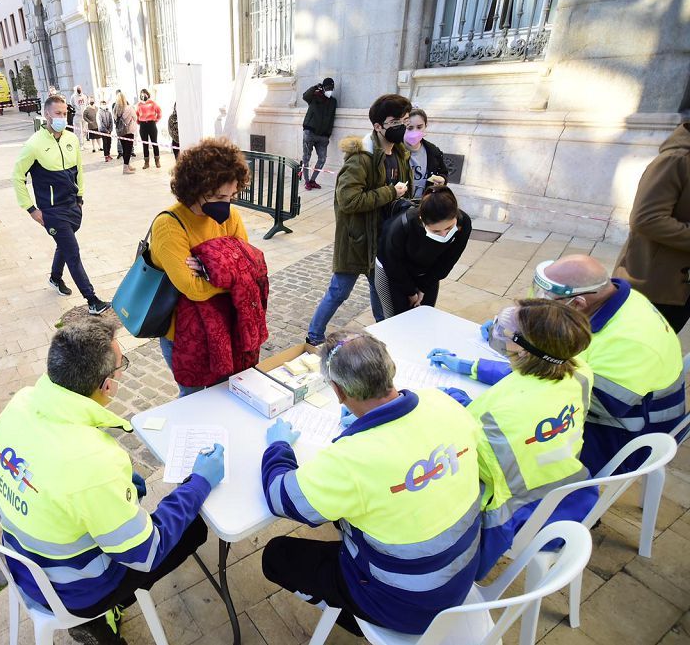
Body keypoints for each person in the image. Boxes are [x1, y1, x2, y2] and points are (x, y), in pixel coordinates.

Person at [0, 318, 222, 644]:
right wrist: (199, 481)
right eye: (120, 366)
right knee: (193, 530)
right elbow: (146, 551)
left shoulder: (19, 405)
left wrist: (116, 489)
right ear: (107, 385)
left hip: (23, 563)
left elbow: (60, 484)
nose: (122, 372)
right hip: (73, 589)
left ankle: (101, 617)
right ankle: (101, 617)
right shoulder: (92, 461)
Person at [261, 332, 481, 637]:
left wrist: (278, 447)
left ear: (338, 391)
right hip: (461, 576)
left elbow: (280, 498)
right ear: (390, 370)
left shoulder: (351, 459)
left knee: (276, 556)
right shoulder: (444, 402)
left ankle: (358, 618)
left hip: (405, 606)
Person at [436, 254, 685, 475]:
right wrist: (513, 334)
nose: (539, 300)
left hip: (626, 432)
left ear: (577, 305)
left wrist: (478, 370)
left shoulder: (632, 341)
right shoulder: (601, 300)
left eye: (546, 298)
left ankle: (564, 503)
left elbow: (564, 392)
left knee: (513, 449)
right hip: (607, 404)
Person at [434, 299, 598, 578]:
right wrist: (468, 367)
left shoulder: (493, 417)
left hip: (515, 518)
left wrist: (452, 407)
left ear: (523, 351)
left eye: (510, 335)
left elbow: (454, 454)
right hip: (572, 492)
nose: (503, 336)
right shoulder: (579, 371)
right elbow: (523, 375)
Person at [306, 94, 413, 345]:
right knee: (339, 291)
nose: (402, 126)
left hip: (385, 239)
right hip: (357, 239)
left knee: (380, 292)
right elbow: (348, 200)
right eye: (395, 121)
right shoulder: (361, 157)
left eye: (405, 120)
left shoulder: (400, 154)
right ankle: (314, 335)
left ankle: (385, 337)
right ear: (378, 126)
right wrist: (391, 192)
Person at [150, 138, 251, 396]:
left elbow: (248, 268)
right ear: (196, 187)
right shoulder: (169, 225)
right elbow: (192, 289)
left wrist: (209, 270)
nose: (226, 204)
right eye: (219, 196)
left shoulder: (231, 216)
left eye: (231, 196)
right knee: (193, 398)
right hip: (184, 336)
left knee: (224, 393)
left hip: (224, 325)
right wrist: (227, 270)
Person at [14, 94, 110, 315]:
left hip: (72, 206)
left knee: (64, 245)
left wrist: (80, 199)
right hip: (51, 209)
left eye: (65, 113)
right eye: (58, 113)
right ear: (46, 114)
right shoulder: (34, 144)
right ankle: (92, 300)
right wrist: (30, 209)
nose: (62, 117)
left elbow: (79, 170)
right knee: (72, 251)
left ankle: (55, 278)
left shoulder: (71, 139)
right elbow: (17, 177)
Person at [613, 121, 690, 331]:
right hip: (654, 286)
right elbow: (647, 219)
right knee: (632, 350)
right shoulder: (676, 160)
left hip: (680, 289)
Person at [374, 185, 472, 319]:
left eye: (449, 228)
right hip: (392, 270)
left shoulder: (464, 223)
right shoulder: (400, 227)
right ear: (422, 220)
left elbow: (448, 260)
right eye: (436, 231)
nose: (443, 235)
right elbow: (394, 264)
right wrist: (411, 292)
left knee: (424, 315)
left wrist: (423, 287)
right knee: (395, 318)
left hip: (427, 271)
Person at [301, 77, 337, 190]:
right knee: (306, 158)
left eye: (332, 88)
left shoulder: (333, 101)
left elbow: (332, 118)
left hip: (323, 136)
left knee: (322, 159)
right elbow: (305, 96)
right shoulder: (314, 96)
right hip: (310, 132)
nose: (330, 90)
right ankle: (306, 182)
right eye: (328, 88)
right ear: (323, 88)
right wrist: (315, 87)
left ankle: (312, 180)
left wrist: (328, 135)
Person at [404, 108, 448, 198]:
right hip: (397, 207)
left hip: (422, 205)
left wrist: (442, 179)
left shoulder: (433, 151)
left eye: (419, 127)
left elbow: (443, 172)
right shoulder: (394, 150)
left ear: (425, 126)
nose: (415, 131)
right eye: (410, 128)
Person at [136, 88, 162, 169]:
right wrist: (139, 122)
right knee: (145, 144)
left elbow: (159, 112)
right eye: (142, 94)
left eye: (145, 94)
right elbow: (136, 115)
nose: (143, 95)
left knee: (154, 142)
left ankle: (157, 160)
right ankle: (146, 162)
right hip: (143, 125)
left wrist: (155, 120)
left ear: (148, 94)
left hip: (151, 124)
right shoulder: (139, 105)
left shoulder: (153, 103)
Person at [114, 93, 138, 175]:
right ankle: (125, 168)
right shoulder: (129, 108)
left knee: (124, 149)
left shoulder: (116, 109)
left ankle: (127, 165)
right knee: (128, 150)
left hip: (120, 132)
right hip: (128, 131)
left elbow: (115, 119)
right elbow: (135, 118)